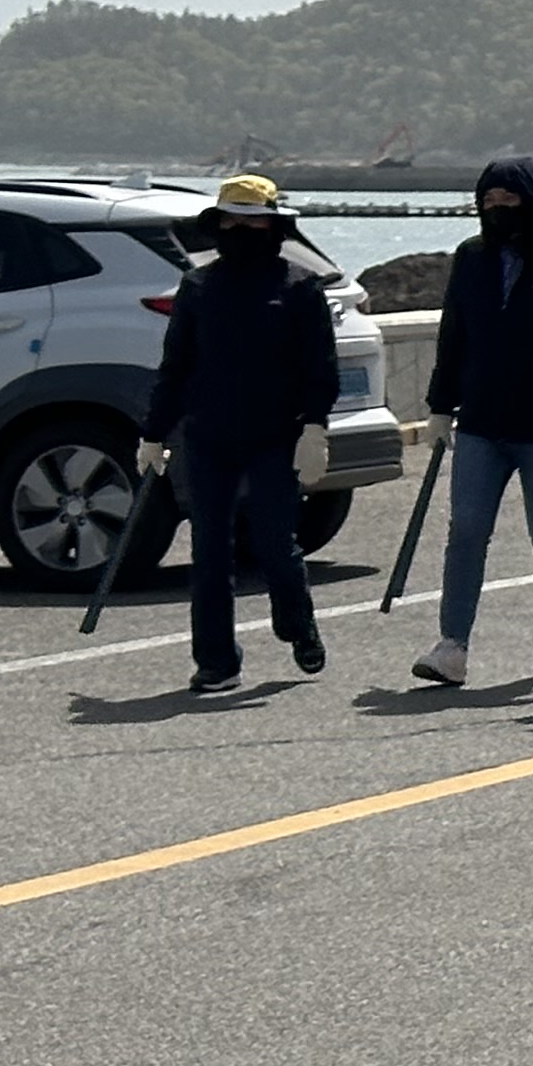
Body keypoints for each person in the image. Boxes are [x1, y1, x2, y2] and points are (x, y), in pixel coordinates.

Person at [137, 174, 341, 695]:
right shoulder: (199, 286)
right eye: (232, 220)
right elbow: (175, 367)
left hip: (276, 436)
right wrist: (154, 434)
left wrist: (315, 428)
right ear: (219, 225)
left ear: (273, 226)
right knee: (210, 554)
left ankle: (297, 625)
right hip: (207, 439)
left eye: (254, 220)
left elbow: (319, 369)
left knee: (276, 546)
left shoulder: (298, 288)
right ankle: (217, 661)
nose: (243, 228)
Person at [411, 155, 533, 686]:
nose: (497, 209)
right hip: (480, 423)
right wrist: (438, 406)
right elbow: (454, 335)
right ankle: (452, 645)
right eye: (488, 201)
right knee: (466, 532)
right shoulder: (471, 257)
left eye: (508, 199)